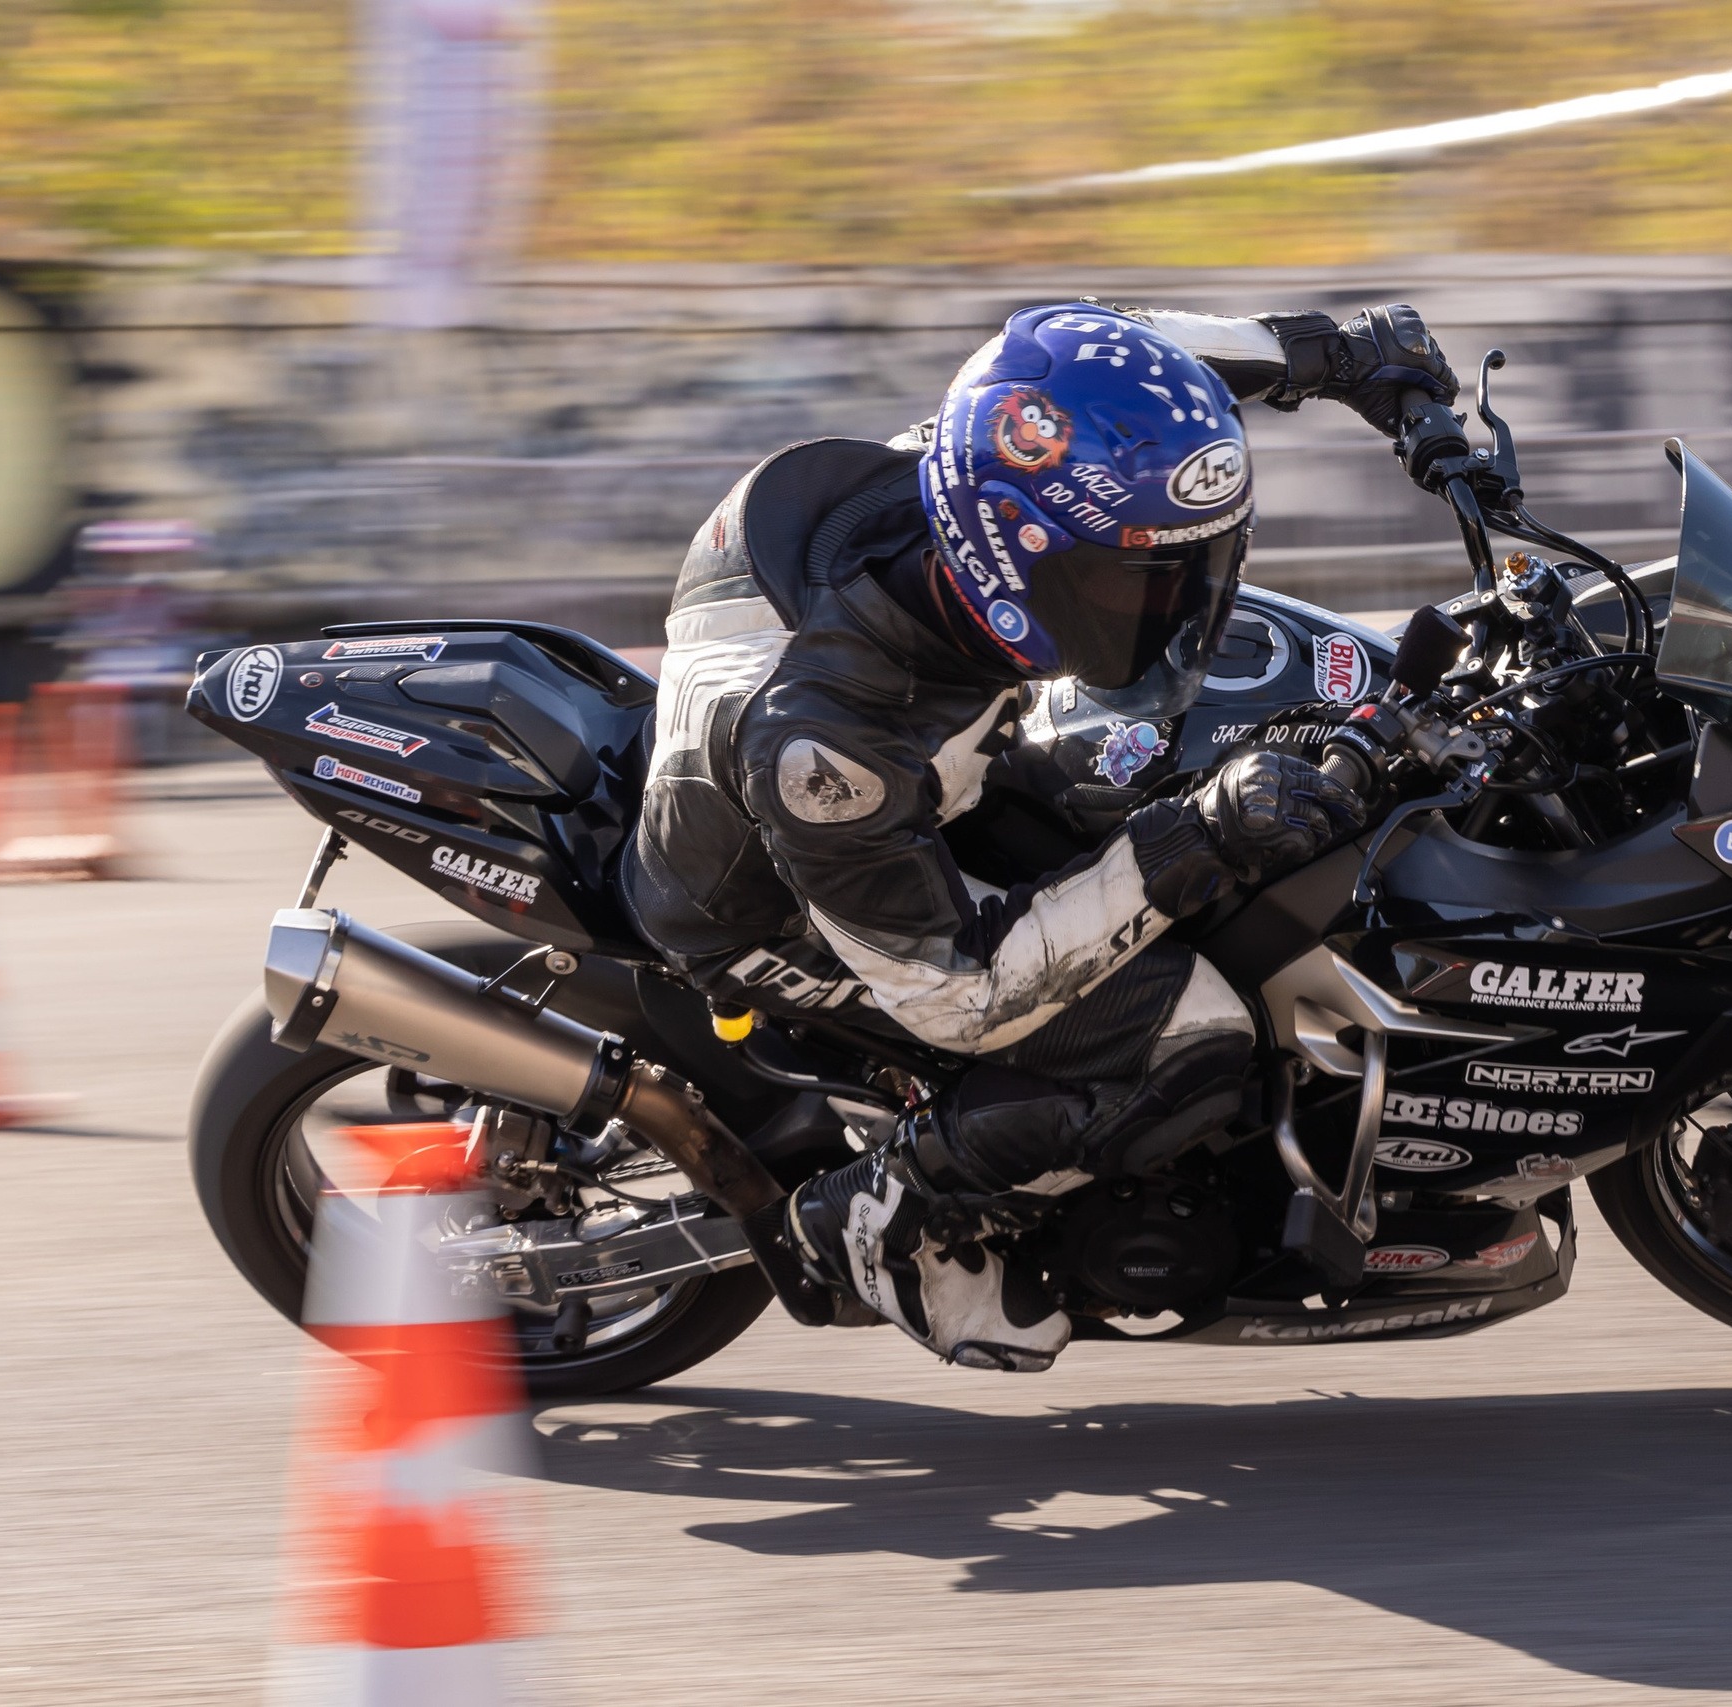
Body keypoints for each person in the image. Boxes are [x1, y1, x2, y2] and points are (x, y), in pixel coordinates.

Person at [624, 300, 1457, 1370]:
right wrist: (1195, 835)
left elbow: (1117, 360)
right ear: (1016, 557)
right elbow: (958, 993)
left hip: (909, 771)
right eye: (1131, 577)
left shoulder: (993, 448)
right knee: (1196, 1033)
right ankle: (890, 1213)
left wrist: (1334, 353)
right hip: (773, 911)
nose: (1177, 601)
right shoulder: (828, 746)